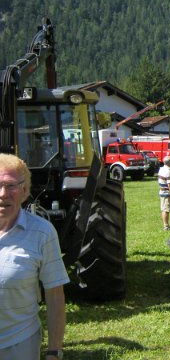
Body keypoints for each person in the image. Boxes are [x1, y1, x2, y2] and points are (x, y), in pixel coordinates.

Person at [0, 153, 69, 360]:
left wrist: (54, 351)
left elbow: (55, 294)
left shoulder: (42, 232)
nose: (3, 194)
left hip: (18, 344)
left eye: (11, 186)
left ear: (24, 190)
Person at [158, 156, 170, 230]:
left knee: (164, 209)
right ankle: (166, 226)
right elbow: (169, 184)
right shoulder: (168, 171)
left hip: (162, 191)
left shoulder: (161, 169)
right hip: (166, 192)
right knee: (166, 210)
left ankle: (166, 225)